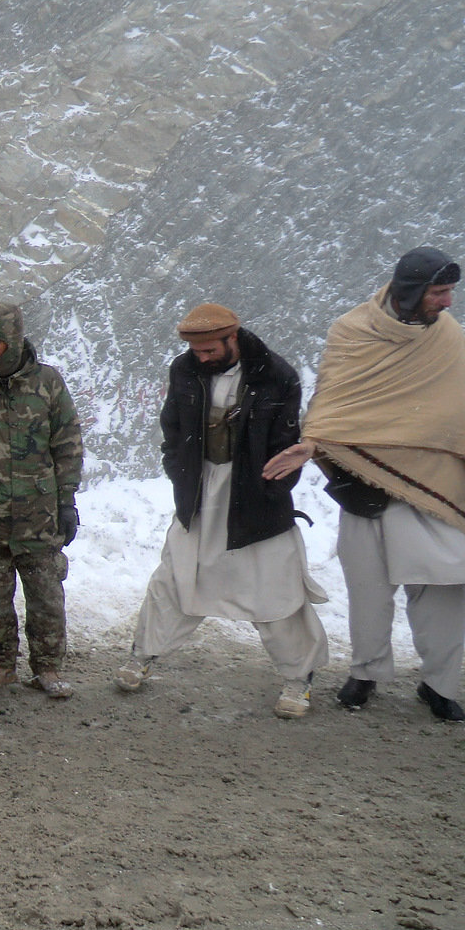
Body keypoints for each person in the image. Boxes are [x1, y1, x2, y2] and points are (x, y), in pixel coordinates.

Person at [264, 249, 465, 722]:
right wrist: (313, 443)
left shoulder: (449, 338)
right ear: (411, 290)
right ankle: (366, 671)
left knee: (441, 587)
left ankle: (439, 685)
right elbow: (333, 399)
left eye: (448, 292)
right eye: (439, 292)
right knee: (368, 587)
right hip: (366, 484)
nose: (448, 302)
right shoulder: (353, 331)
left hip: (437, 485)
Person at [115, 305, 328, 717]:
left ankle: (298, 680)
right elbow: (172, 428)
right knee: (174, 578)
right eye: (197, 350)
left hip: (256, 499)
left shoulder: (275, 375)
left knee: (276, 589)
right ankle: (141, 656)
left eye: (211, 349)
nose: (203, 357)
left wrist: (272, 487)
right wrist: (177, 468)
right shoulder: (185, 370)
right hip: (199, 492)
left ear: (234, 338)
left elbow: (286, 439)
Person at [0, 303, 84, 699]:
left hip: (38, 517)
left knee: (46, 596)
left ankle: (48, 668)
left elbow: (68, 445)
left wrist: (66, 502)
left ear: (16, 341)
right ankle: (0, 664)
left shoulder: (48, 384)